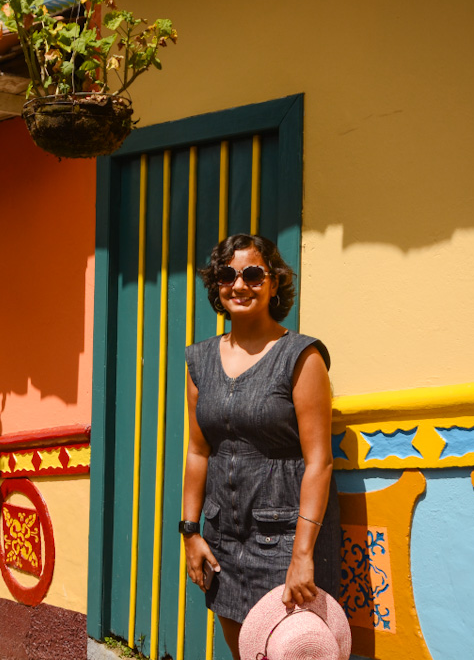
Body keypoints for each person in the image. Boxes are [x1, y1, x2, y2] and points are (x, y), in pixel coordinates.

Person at [179, 234, 339, 659]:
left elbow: (319, 461)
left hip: (285, 539)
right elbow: (197, 451)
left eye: (252, 274)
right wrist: (190, 533)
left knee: (290, 650)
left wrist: (303, 554)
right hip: (224, 541)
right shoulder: (201, 362)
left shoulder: (300, 357)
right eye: (227, 275)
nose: (239, 284)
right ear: (216, 286)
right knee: (247, 652)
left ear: (273, 283)